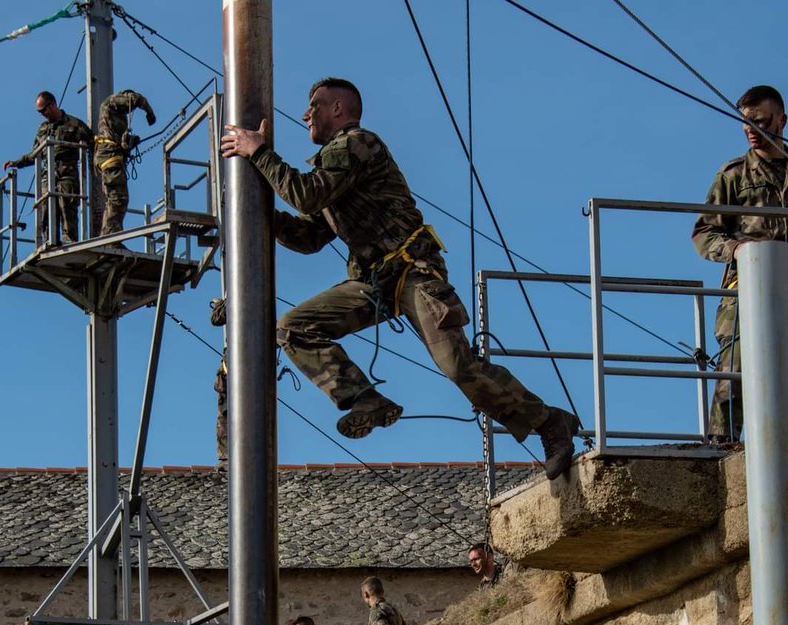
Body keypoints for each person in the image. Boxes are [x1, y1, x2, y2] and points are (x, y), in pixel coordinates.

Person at [220, 77, 579, 481]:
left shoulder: (356, 144)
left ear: (339, 109)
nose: (306, 115)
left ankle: (549, 422)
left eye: (315, 105)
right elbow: (308, 236)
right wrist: (252, 209)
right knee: (293, 328)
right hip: (375, 281)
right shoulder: (331, 166)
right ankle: (365, 400)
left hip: (413, 272)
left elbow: (306, 196)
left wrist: (260, 153)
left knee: (459, 367)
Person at [693, 84, 788, 442]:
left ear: (782, 120)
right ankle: (723, 442)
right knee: (735, 365)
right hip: (746, 285)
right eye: (745, 124)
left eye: (760, 122)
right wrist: (734, 250)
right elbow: (704, 232)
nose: (751, 130)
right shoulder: (734, 175)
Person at [3, 91, 92, 245]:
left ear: (52, 104)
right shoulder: (43, 129)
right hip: (48, 175)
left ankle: (69, 241)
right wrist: (18, 162)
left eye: (44, 110)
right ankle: (49, 242)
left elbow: (92, 142)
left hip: (67, 174)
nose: (42, 114)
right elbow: (35, 154)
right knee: (45, 209)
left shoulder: (74, 124)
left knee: (67, 207)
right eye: (40, 112)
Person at [95, 89, 157, 235]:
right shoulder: (112, 102)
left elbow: (118, 140)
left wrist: (128, 142)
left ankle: (109, 235)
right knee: (118, 198)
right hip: (109, 157)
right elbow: (135, 99)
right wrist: (149, 112)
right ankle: (110, 237)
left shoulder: (115, 117)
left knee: (115, 198)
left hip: (111, 157)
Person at [209, 298, 228, 464]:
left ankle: (226, 456)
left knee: (225, 413)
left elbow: (216, 319)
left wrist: (220, 305)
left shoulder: (240, 293)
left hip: (234, 367)